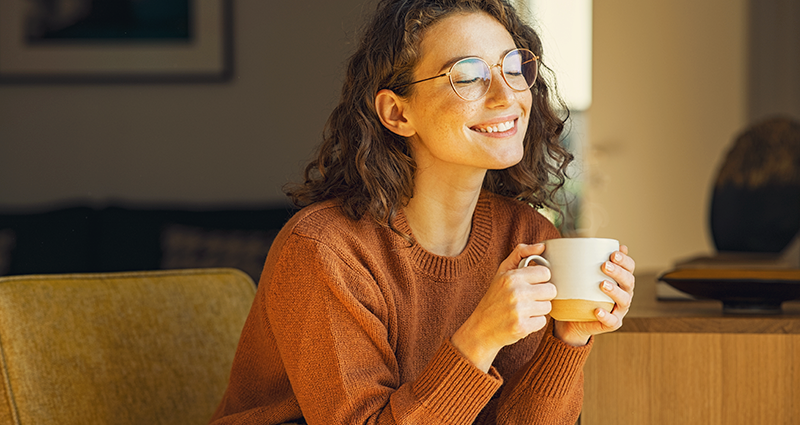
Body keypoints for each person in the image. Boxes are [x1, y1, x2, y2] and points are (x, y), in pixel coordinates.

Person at [209, 0, 635, 423]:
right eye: (468, 76)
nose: (507, 95)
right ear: (397, 113)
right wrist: (479, 337)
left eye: (513, 66)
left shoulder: (526, 234)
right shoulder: (326, 252)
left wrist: (568, 339)